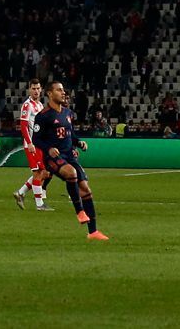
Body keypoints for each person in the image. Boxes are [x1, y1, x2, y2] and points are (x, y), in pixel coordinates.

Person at [32, 81, 109, 241]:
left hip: (69, 156)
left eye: (63, 90)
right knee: (71, 173)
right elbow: (36, 139)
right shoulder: (43, 116)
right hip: (53, 158)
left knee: (86, 189)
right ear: (49, 94)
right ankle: (79, 211)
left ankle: (93, 232)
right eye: (59, 90)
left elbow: (70, 135)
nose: (63, 93)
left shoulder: (67, 113)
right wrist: (48, 149)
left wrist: (79, 142)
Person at [13, 79, 54, 211]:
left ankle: (21, 193)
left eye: (38, 88)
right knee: (39, 173)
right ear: (29, 90)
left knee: (45, 173)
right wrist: (29, 143)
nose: (36, 91)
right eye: (33, 88)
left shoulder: (40, 105)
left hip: (40, 144)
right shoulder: (27, 105)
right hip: (32, 145)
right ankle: (39, 204)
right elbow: (23, 126)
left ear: (41, 90)